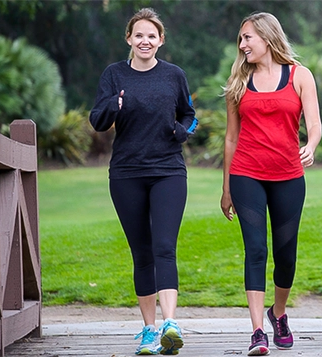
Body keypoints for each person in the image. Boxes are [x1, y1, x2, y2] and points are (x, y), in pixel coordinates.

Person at [89, 7, 197, 356]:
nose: (145, 40)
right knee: (142, 253)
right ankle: (149, 331)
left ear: (161, 40)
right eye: (139, 35)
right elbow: (97, 120)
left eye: (152, 35)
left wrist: (182, 131)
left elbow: (189, 115)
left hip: (168, 171)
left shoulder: (174, 75)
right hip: (126, 174)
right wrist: (114, 106)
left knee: (165, 246)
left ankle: (170, 325)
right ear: (129, 39)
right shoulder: (114, 75)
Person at [220, 12, 322, 356]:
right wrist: (226, 188)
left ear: (267, 38)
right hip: (247, 173)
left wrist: (311, 145)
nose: (242, 44)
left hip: (289, 176)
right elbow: (231, 138)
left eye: (247, 37)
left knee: (285, 255)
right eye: (241, 39)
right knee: (256, 250)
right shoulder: (238, 79)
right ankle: (257, 332)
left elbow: (315, 123)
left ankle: (278, 314)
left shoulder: (299, 75)